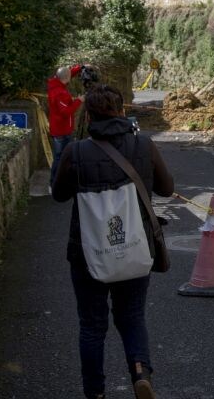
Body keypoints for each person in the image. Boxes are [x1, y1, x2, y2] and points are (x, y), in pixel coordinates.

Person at [52, 84, 174, 399]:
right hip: (135, 248)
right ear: (122, 111)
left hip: (88, 253)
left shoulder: (75, 152)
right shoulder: (144, 147)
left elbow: (59, 194)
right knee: (131, 316)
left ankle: (95, 393)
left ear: (88, 116)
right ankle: (139, 373)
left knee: (92, 326)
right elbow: (167, 188)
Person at [47, 64, 84, 188]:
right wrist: (79, 100)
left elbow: (66, 74)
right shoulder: (60, 93)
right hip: (62, 130)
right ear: (66, 78)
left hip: (59, 128)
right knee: (59, 158)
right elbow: (65, 112)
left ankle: (59, 181)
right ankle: (53, 183)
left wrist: (80, 67)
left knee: (62, 156)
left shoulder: (55, 82)